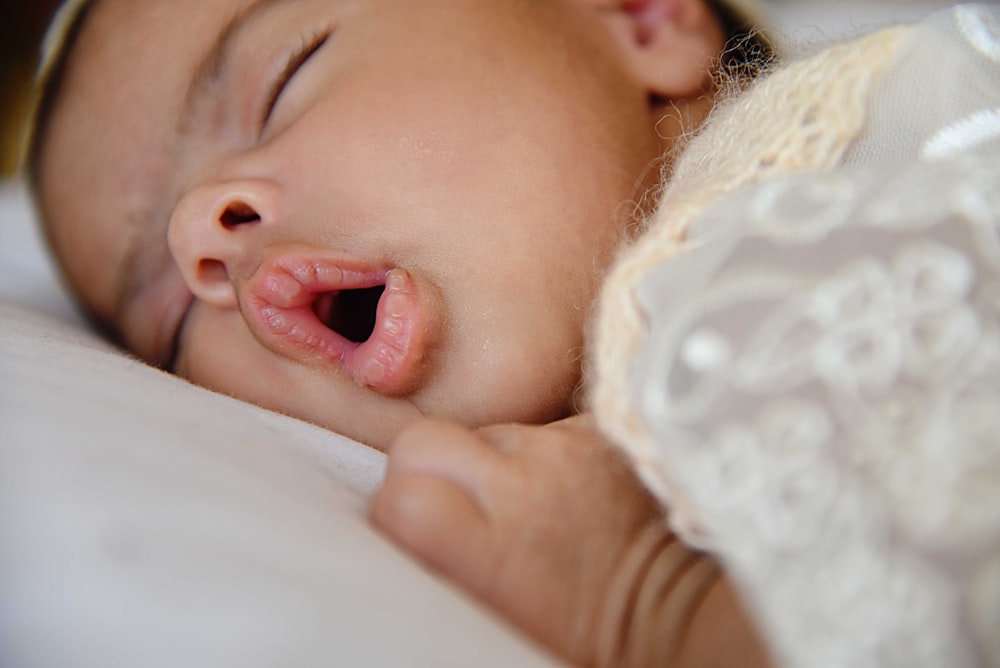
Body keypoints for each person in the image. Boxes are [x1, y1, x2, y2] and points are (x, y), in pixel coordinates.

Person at [26, 0, 1000, 666]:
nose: (200, 226)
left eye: (286, 73)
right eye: (169, 318)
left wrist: (647, 601)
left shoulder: (873, 148)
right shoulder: (647, 429)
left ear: (637, 15)